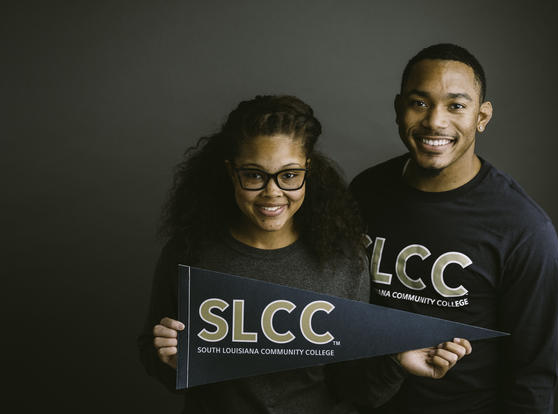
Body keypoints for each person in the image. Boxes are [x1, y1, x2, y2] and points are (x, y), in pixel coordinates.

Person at [137, 94, 472, 413]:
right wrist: (169, 360)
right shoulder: (189, 253)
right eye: (254, 175)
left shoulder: (343, 261)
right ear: (231, 172)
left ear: (307, 172)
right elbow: (162, 364)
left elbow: (355, 388)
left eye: (289, 175)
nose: (272, 193)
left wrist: (396, 363)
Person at [350, 44, 558, 414]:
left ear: (482, 117)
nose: (435, 121)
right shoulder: (366, 190)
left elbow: (533, 376)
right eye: (419, 103)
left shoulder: (524, 229)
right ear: (399, 109)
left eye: (456, 106)